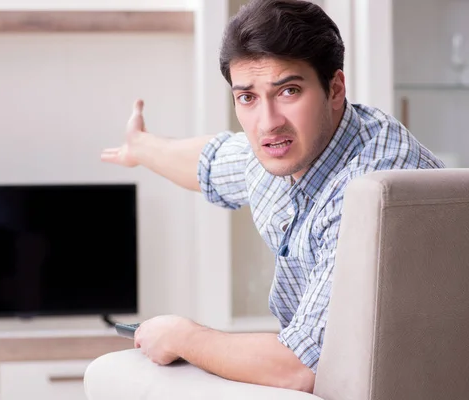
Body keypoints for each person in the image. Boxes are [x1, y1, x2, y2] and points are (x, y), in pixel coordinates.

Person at [101, 0, 445, 393]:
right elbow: (210, 162)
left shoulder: (369, 190)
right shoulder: (293, 144)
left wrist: (183, 336)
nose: (267, 122)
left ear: (334, 89)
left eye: (289, 91)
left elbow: (301, 368)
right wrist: (140, 146)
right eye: (247, 97)